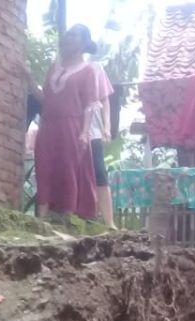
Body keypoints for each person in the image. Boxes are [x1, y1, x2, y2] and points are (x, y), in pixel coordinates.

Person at [32, 24, 100, 220]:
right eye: (67, 34)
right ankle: (42, 219)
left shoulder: (88, 71)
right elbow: (45, 98)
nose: (67, 37)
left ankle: (67, 218)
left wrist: (84, 132)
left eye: (73, 35)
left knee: (67, 169)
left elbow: (89, 105)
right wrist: (28, 79)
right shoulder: (54, 68)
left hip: (71, 126)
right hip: (47, 125)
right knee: (43, 166)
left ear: (83, 43)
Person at [87, 58, 115, 228]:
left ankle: (109, 221)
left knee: (99, 172)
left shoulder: (95, 67)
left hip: (94, 131)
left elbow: (105, 99)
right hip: (71, 130)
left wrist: (107, 126)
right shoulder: (65, 68)